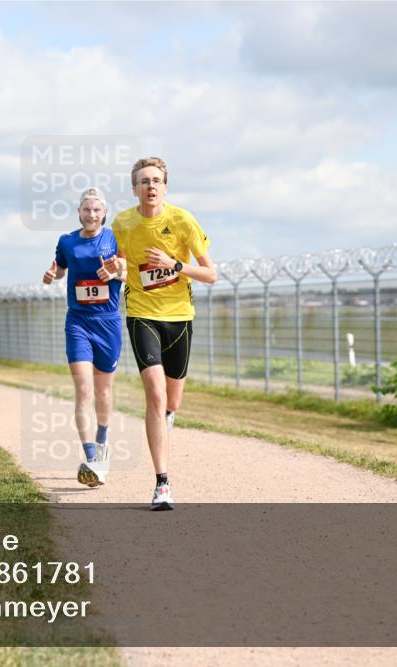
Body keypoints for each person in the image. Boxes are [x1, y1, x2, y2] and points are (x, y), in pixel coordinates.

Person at [108, 157, 217, 510]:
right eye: (143, 181)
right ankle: (162, 484)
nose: (150, 186)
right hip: (141, 314)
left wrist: (173, 265)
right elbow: (120, 262)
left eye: (156, 180)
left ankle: (167, 416)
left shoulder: (182, 221)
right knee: (154, 396)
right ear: (134, 188)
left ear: (165, 187)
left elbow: (210, 274)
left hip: (179, 318)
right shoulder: (123, 223)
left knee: (171, 401)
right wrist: (114, 268)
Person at [43, 187, 125, 488]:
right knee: (83, 391)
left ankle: (102, 442)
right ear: (79, 212)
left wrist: (116, 273)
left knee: (104, 393)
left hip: (108, 322)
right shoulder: (67, 241)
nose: (91, 214)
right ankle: (91, 459)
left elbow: (127, 271)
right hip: (78, 321)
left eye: (96, 210)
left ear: (104, 213)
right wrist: (51, 276)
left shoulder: (115, 238)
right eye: (86, 210)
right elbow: (60, 269)